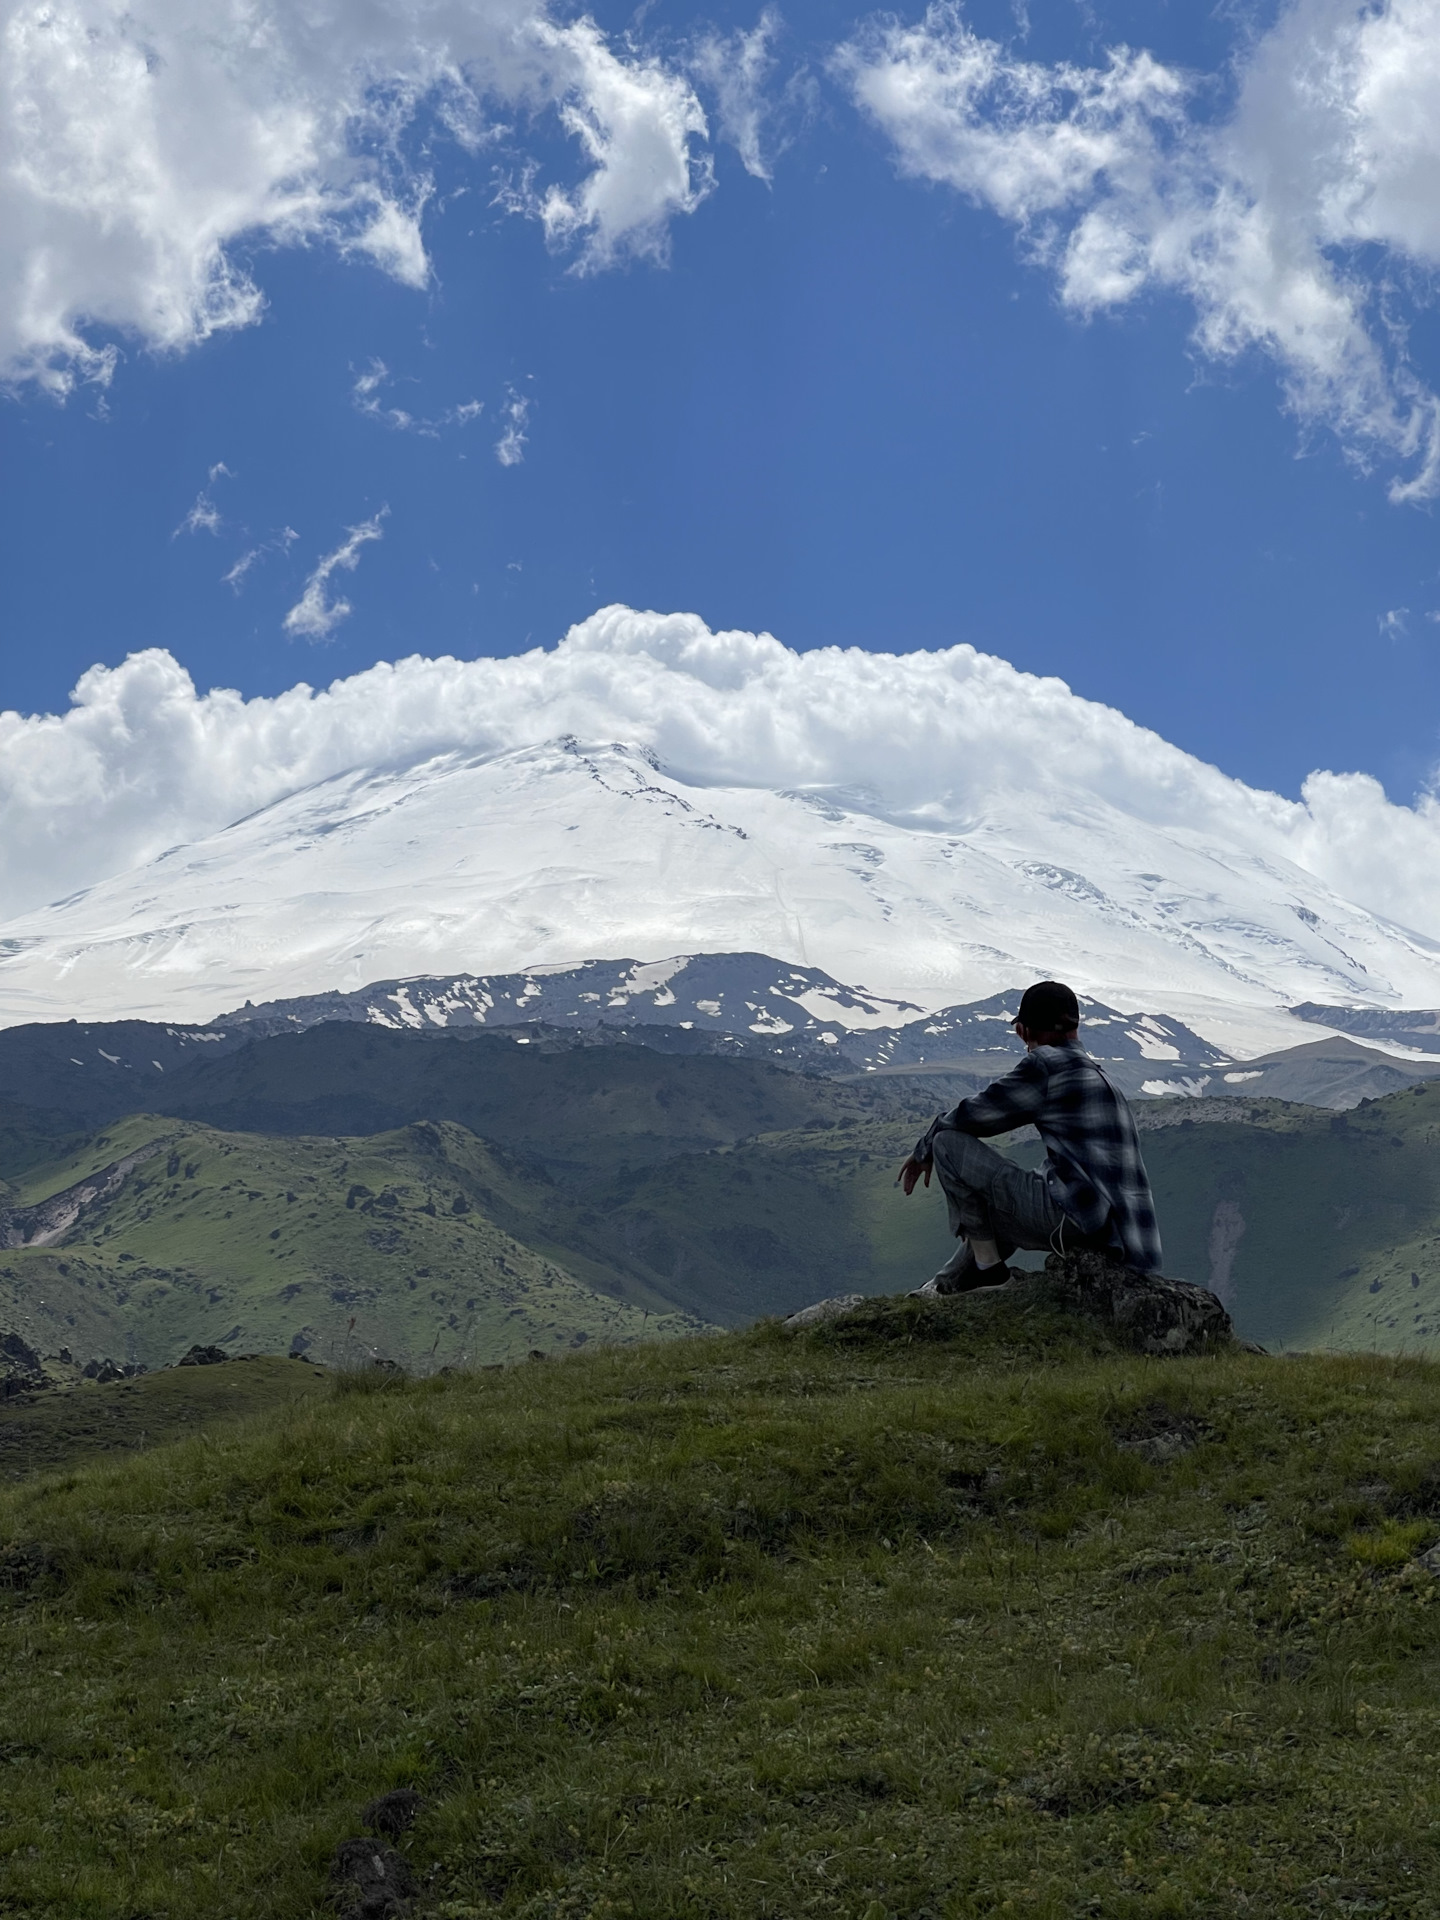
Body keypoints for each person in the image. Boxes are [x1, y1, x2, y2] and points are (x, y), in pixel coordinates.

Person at [896, 979, 1161, 1294]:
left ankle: (989, 1272)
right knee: (992, 1209)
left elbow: (973, 1116)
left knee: (947, 1143)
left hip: (1075, 1218)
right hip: (1122, 1236)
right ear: (1076, 1027)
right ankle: (942, 1288)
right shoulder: (1101, 1076)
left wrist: (925, 1147)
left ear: (1023, 1031)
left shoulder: (1047, 1066)